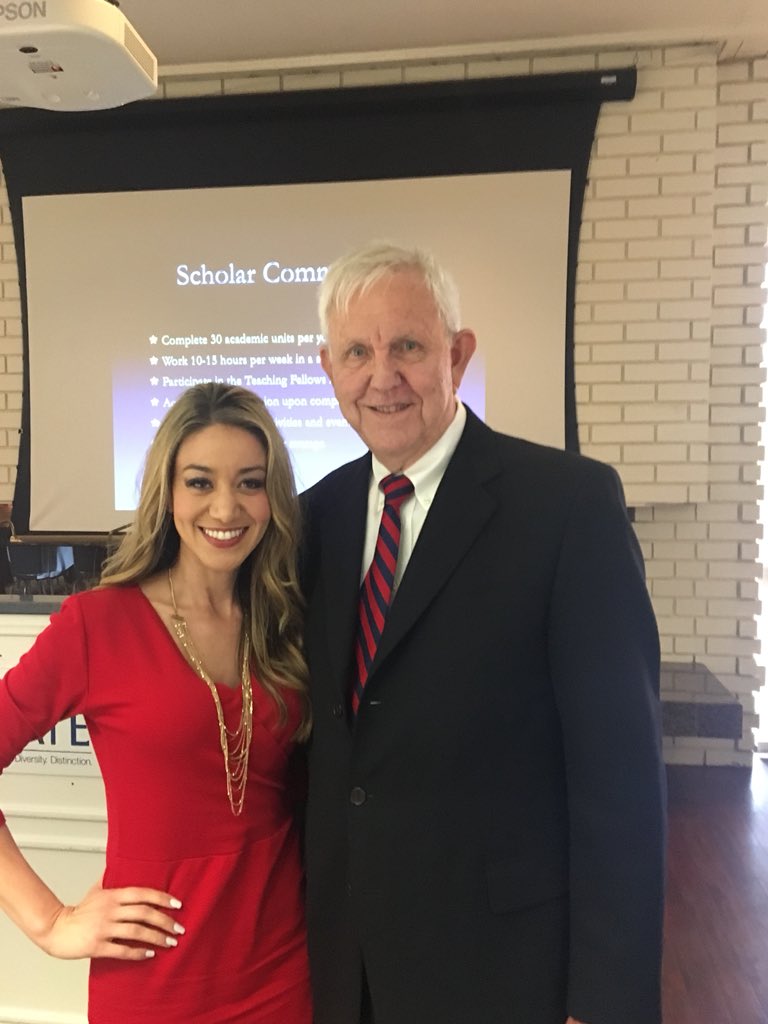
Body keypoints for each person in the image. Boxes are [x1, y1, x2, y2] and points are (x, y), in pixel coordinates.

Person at [300, 242, 666, 1024]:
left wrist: (606, 1002)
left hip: (505, 970)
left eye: (408, 346)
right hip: (347, 964)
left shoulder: (568, 507)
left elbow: (621, 781)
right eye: (358, 352)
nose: (382, 376)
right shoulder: (315, 518)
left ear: (457, 355)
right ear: (328, 368)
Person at [0, 383, 312, 1023]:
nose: (226, 506)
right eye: (200, 481)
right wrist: (50, 921)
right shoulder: (98, 624)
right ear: (166, 491)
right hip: (155, 979)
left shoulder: (289, 620)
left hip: (283, 968)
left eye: (250, 482)